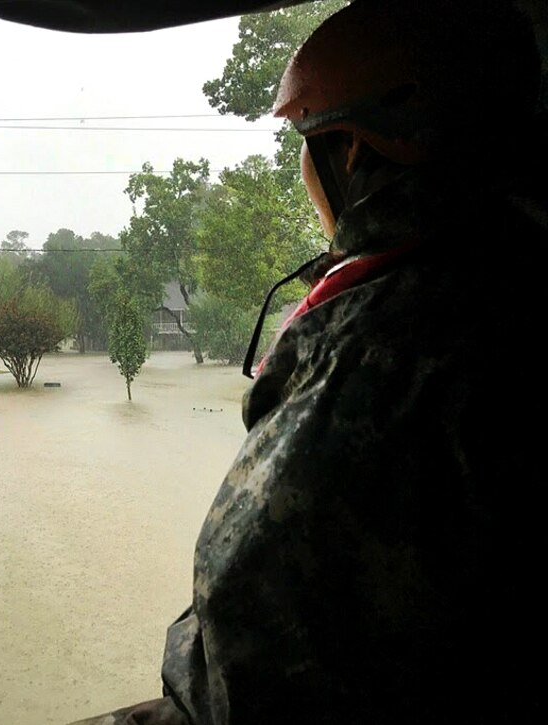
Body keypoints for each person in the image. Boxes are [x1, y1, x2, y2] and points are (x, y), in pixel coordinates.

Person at [72, 0, 546, 722]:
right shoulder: (512, 274)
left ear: (352, 151)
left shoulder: (381, 351)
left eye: (304, 140)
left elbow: (249, 646)